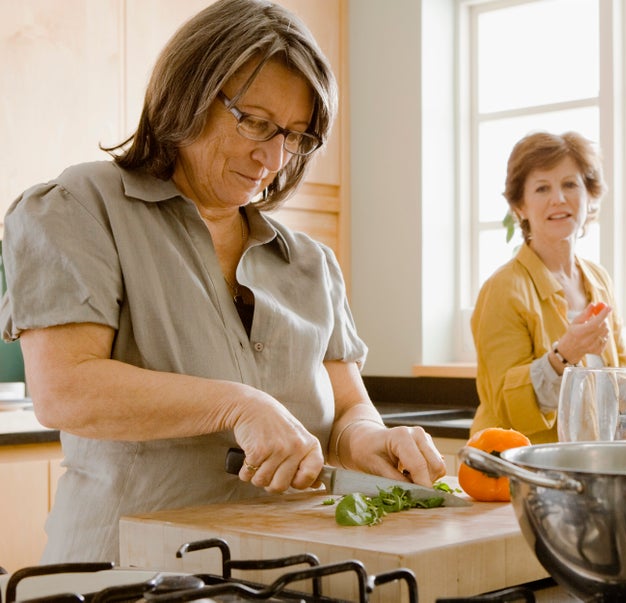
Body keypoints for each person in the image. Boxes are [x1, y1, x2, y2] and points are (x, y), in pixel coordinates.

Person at [0, 0, 445, 564]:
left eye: (294, 135)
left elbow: (348, 409)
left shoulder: (310, 263)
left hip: (285, 570)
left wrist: (370, 440)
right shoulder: (78, 207)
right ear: (187, 93)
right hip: (124, 571)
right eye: (255, 121)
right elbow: (65, 388)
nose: (272, 156)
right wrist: (237, 406)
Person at [470, 131, 626, 444]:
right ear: (521, 206)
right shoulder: (503, 289)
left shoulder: (597, 279)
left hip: (586, 460)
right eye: (542, 188)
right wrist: (564, 355)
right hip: (513, 467)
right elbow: (506, 403)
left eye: (570, 184)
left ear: (589, 194)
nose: (559, 198)